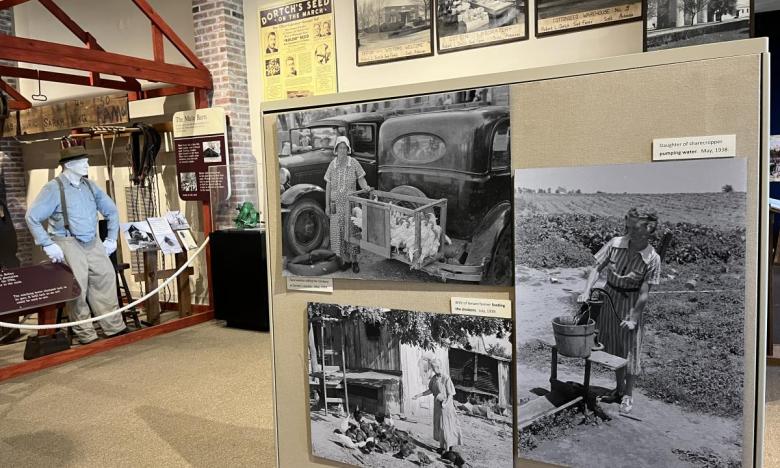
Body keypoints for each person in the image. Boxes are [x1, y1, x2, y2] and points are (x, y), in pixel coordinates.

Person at [25, 142, 129, 345]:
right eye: (82, 161)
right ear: (69, 164)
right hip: (67, 241)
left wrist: (111, 238)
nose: (86, 164)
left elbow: (111, 210)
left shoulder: (89, 186)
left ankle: (113, 327)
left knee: (106, 278)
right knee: (77, 287)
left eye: (86, 160)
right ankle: (86, 334)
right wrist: (47, 244)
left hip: (93, 241)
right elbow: (32, 217)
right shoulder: (53, 188)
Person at [578, 207, 661, 414]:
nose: (629, 229)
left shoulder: (652, 258)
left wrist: (633, 318)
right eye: (628, 224)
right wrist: (587, 290)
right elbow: (596, 268)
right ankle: (618, 389)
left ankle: (629, 394)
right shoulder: (615, 244)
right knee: (614, 347)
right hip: (610, 298)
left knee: (631, 349)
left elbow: (644, 293)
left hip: (631, 303)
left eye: (636, 226)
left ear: (649, 229)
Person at [324, 136, 370, 273]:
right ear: (336, 149)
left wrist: (366, 187)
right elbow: (328, 186)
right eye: (340, 148)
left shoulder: (353, 163)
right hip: (335, 205)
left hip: (350, 205)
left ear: (348, 149)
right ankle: (346, 260)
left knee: (352, 232)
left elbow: (361, 179)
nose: (342, 150)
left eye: (345, 148)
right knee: (338, 233)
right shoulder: (332, 164)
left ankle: (355, 261)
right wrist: (327, 205)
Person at [412, 358, 463, 453]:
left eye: (434, 367)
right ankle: (442, 447)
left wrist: (445, 404)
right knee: (439, 426)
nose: (433, 369)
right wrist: (419, 395)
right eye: (432, 367)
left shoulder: (446, 378)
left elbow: (451, 394)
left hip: (446, 407)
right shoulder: (434, 378)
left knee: (446, 426)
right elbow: (431, 390)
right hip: (437, 406)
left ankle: (448, 448)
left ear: (439, 367)